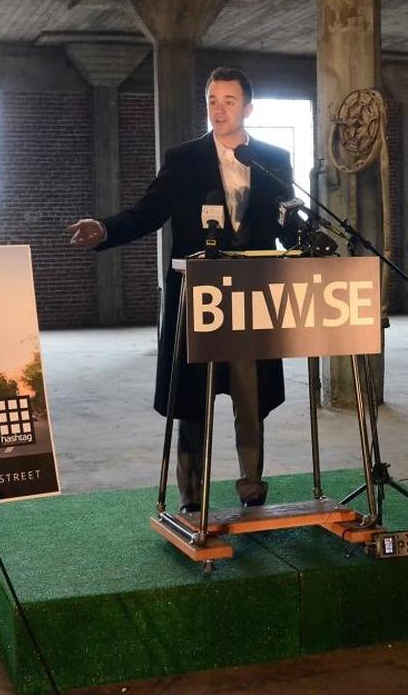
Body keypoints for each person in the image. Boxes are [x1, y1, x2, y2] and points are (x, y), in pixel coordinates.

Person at [67, 67, 296, 514]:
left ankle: (252, 488)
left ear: (247, 108)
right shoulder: (183, 158)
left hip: (252, 299)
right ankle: (193, 497)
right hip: (197, 299)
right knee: (194, 400)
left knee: (250, 397)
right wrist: (105, 229)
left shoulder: (273, 158)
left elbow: (287, 223)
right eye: (212, 100)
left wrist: (314, 248)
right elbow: (148, 212)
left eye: (229, 100)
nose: (219, 108)